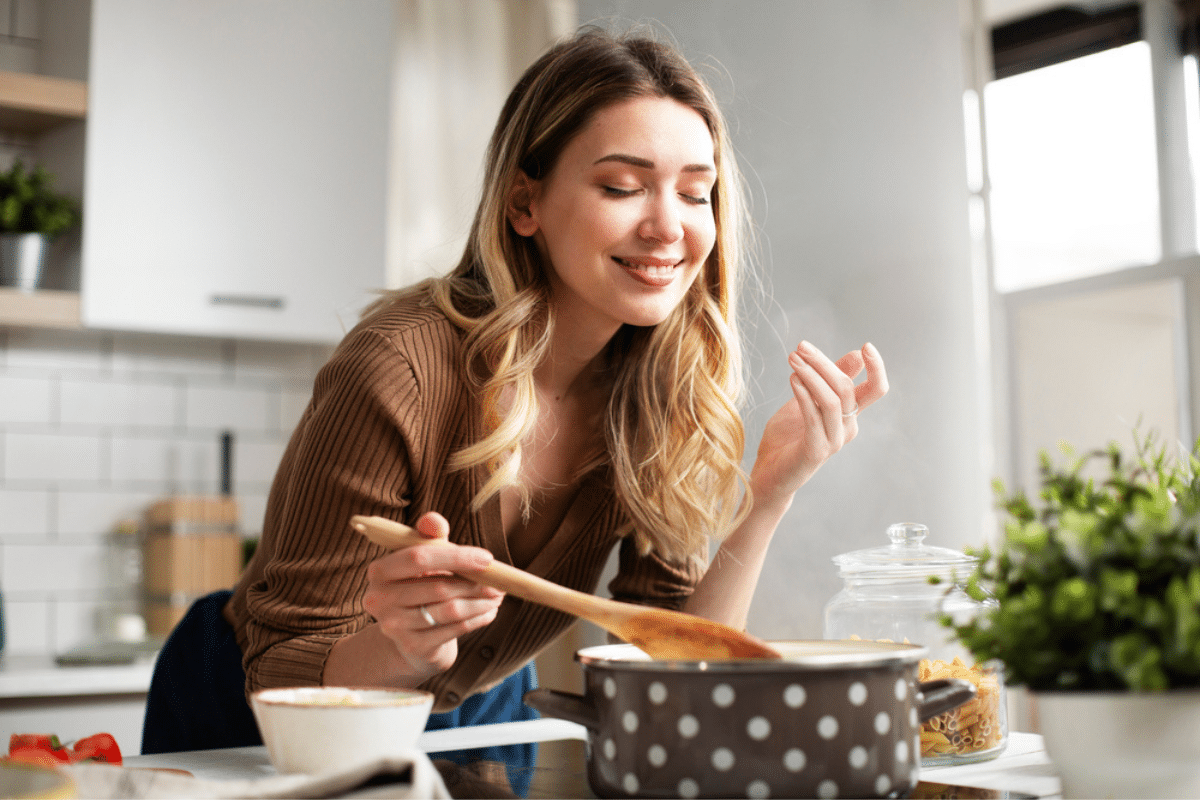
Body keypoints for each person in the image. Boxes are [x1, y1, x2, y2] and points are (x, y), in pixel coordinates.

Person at [142, 25, 887, 796]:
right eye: (622, 186)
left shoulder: (656, 392)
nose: (670, 226)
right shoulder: (400, 366)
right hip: (260, 716)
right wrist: (405, 645)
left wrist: (767, 498)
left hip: (473, 705)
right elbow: (287, 662)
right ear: (524, 202)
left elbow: (677, 669)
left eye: (697, 192)